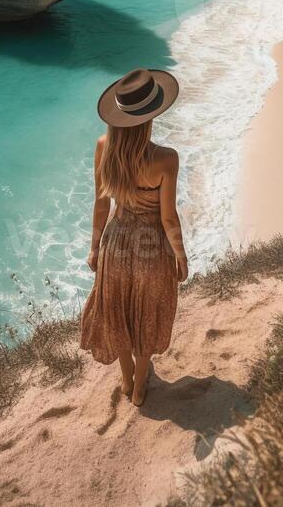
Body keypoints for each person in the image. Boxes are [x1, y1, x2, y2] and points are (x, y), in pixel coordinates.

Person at [80, 68, 188, 407]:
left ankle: (126, 381)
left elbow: (100, 204)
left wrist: (94, 247)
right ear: (151, 117)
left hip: (116, 242)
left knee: (119, 314)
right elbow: (168, 217)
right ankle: (141, 387)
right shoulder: (165, 159)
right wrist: (180, 255)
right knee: (146, 314)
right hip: (151, 247)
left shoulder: (103, 147)